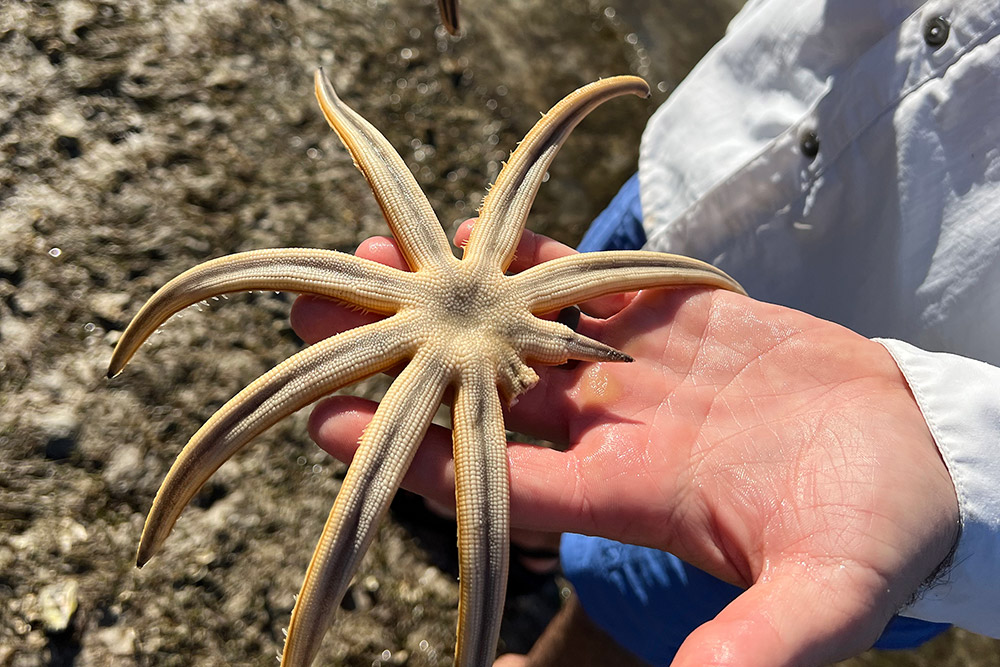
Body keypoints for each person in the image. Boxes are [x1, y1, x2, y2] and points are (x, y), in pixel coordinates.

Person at [290, 0, 1000, 664]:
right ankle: (535, 541)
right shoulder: (645, 255)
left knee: (632, 604)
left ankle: (544, 577)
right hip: (717, 164)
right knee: (554, 433)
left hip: (802, 440)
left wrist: (964, 459)